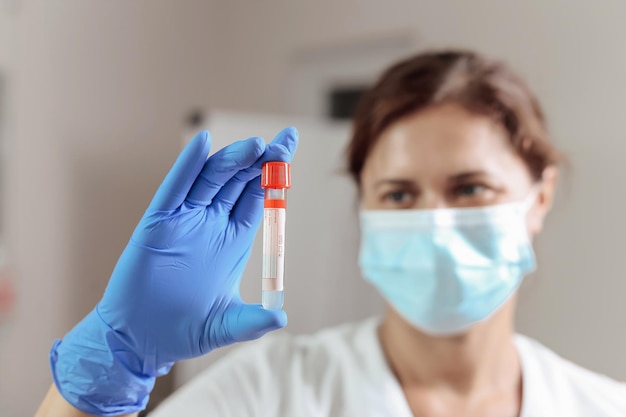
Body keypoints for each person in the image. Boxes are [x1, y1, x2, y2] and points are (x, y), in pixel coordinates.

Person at [36, 50, 626, 417]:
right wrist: (113, 366)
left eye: (470, 189)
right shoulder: (271, 391)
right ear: (363, 205)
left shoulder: (602, 406)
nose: (433, 221)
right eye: (398, 194)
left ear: (539, 197)